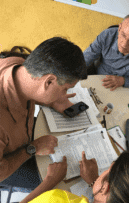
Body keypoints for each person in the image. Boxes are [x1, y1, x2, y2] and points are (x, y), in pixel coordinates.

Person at [0, 37, 87, 183]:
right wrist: (32, 148)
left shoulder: (19, 65)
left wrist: (51, 101)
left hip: (21, 133)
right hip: (9, 162)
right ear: (50, 81)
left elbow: (30, 87)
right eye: (65, 89)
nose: (65, 94)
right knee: (67, 178)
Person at [83, 14, 129, 91]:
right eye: (123, 35)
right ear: (119, 28)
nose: (124, 44)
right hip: (95, 78)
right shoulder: (107, 36)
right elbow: (85, 58)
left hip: (120, 89)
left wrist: (124, 81)